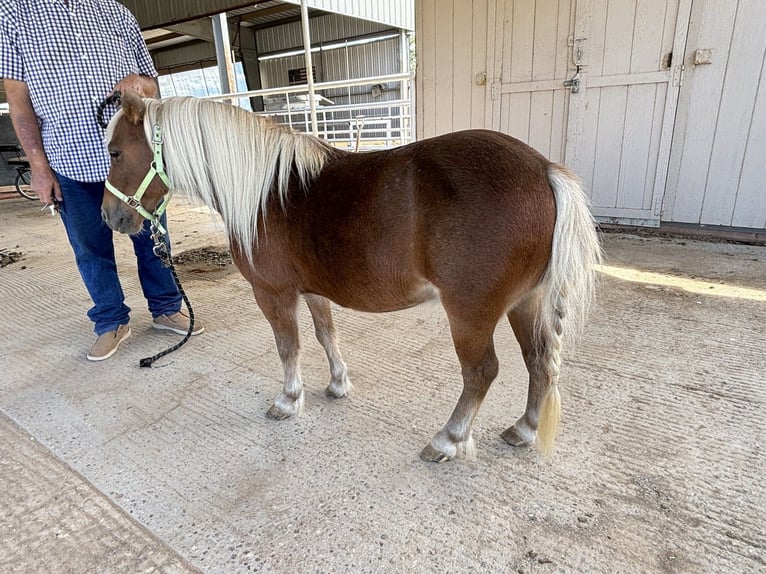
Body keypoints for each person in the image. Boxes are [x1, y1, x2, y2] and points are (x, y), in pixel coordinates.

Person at [0, 0, 204, 361]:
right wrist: (39, 166)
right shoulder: (14, 14)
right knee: (89, 248)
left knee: (154, 239)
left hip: (135, 161)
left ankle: (166, 307)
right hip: (70, 157)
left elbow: (152, 85)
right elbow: (19, 104)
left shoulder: (116, 12)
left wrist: (139, 83)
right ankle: (111, 320)